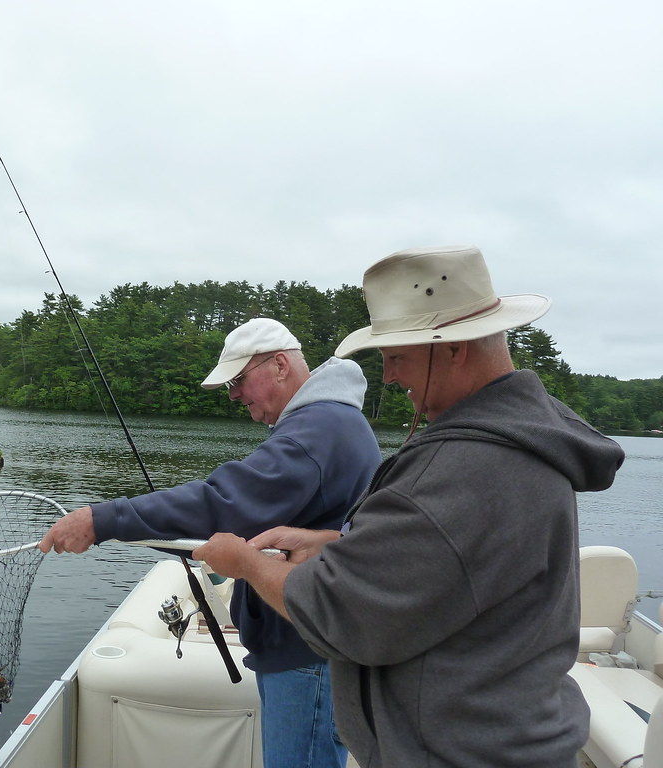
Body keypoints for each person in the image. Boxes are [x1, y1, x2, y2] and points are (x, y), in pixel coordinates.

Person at [193, 245, 626, 768]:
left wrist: (243, 562)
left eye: (397, 357)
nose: (391, 377)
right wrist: (343, 545)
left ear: (452, 349)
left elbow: (342, 613)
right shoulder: (528, 445)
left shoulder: (465, 468)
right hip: (512, 737)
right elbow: (461, 558)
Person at [39, 317, 382, 768]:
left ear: (280, 365)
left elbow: (223, 505)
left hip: (305, 650)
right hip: (313, 638)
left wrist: (102, 520)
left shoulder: (317, 431)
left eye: (239, 380)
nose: (235, 394)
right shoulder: (331, 421)